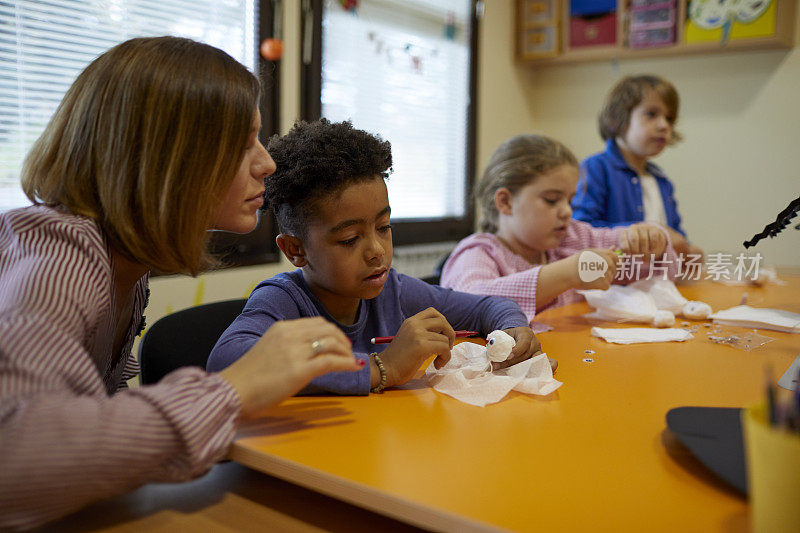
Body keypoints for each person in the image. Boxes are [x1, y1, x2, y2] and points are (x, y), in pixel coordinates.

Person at [0, 37, 361, 530]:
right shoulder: (62, 257)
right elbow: (14, 457)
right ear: (163, 156)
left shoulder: (125, 261)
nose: (266, 164)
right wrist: (232, 390)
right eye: (241, 144)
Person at [207, 119, 550, 393]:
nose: (376, 251)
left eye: (383, 227)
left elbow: (488, 306)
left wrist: (513, 331)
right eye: (350, 238)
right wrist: (381, 367)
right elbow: (225, 360)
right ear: (296, 250)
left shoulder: (393, 290)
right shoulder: (283, 300)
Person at [440, 134, 680, 327]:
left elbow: (642, 264)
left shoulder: (572, 238)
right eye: (552, 200)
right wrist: (567, 273)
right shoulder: (478, 253)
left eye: (570, 200)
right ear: (505, 202)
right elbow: (467, 304)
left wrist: (651, 243)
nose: (566, 211)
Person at [571, 74, 702, 258]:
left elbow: (676, 236)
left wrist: (688, 251)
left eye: (669, 118)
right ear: (617, 119)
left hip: (658, 281)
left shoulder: (662, 180)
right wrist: (642, 233)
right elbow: (580, 231)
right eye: (651, 114)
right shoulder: (595, 168)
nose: (664, 125)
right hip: (612, 283)